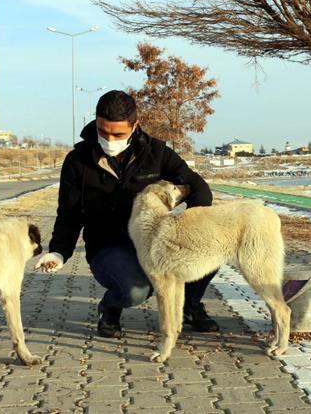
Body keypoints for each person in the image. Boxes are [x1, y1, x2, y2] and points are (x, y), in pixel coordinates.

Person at [35, 90, 219, 338]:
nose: (110, 139)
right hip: (109, 246)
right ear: (96, 122)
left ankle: (190, 306)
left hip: (155, 241)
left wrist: (192, 225)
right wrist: (58, 252)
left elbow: (198, 187)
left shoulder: (156, 153)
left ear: (135, 125)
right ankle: (110, 308)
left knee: (214, 247)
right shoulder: (77, 161)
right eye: (103, 131)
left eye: (118, 134)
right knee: (137, 290)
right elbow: (69, 214)